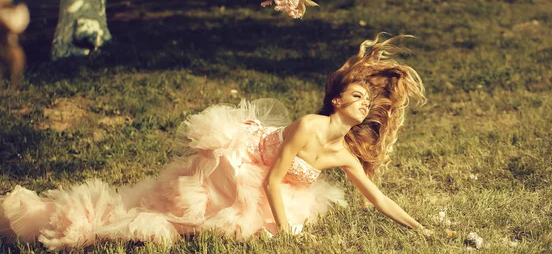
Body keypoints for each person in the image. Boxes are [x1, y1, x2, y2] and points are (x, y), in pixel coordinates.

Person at [0, 34, 427, 250]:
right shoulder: (306, 126)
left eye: (367, 100)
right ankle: (74, 218)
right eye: (356, 95)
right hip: (238, 163)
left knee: (221, 227)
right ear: (336, 101)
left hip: (268, 184)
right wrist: (285, 232)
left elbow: (378, 199)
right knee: (180, 216)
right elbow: (272, 181)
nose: (362, 103)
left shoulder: (342, 154)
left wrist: (419, 227)